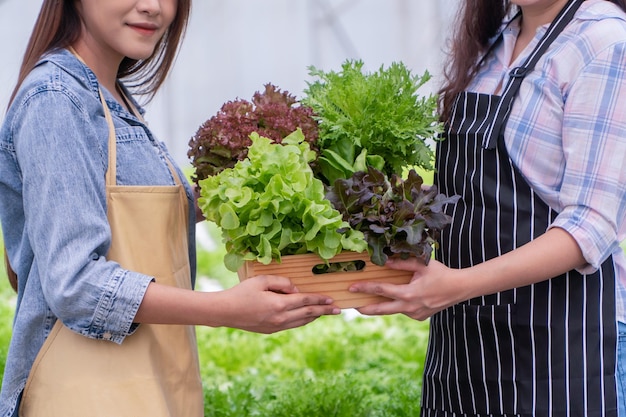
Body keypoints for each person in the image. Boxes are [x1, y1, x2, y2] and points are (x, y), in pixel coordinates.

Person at [0, 1, 341, 416]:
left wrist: (259, 184)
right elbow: (75, 284)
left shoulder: (111, 97)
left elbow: (138, 211)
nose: (152, 7)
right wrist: (226, 309)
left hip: (150, 386)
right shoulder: (57, 100)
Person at [349, 0, 626, 415]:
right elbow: (464, 194)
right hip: (464, 341)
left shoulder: (604, 42)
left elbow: (591, 225)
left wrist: (456, 285)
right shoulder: (496, 40)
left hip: (564, 344)